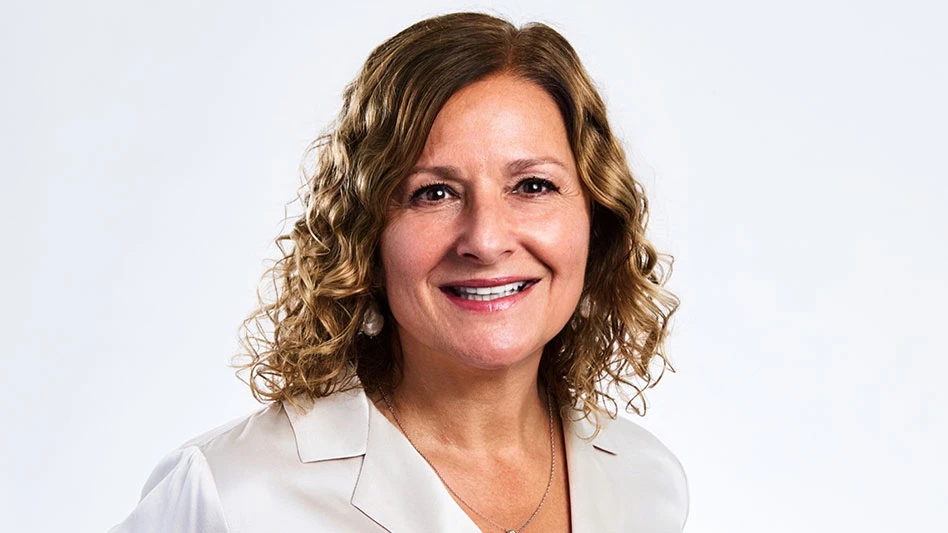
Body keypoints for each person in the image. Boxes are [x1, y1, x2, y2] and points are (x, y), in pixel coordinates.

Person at [112, 11, 688, 533]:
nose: (485, 240)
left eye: (533, 186)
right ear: (367, 236)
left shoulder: (646, 484)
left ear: (597, 218)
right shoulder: (236, 493)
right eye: (433, 193)